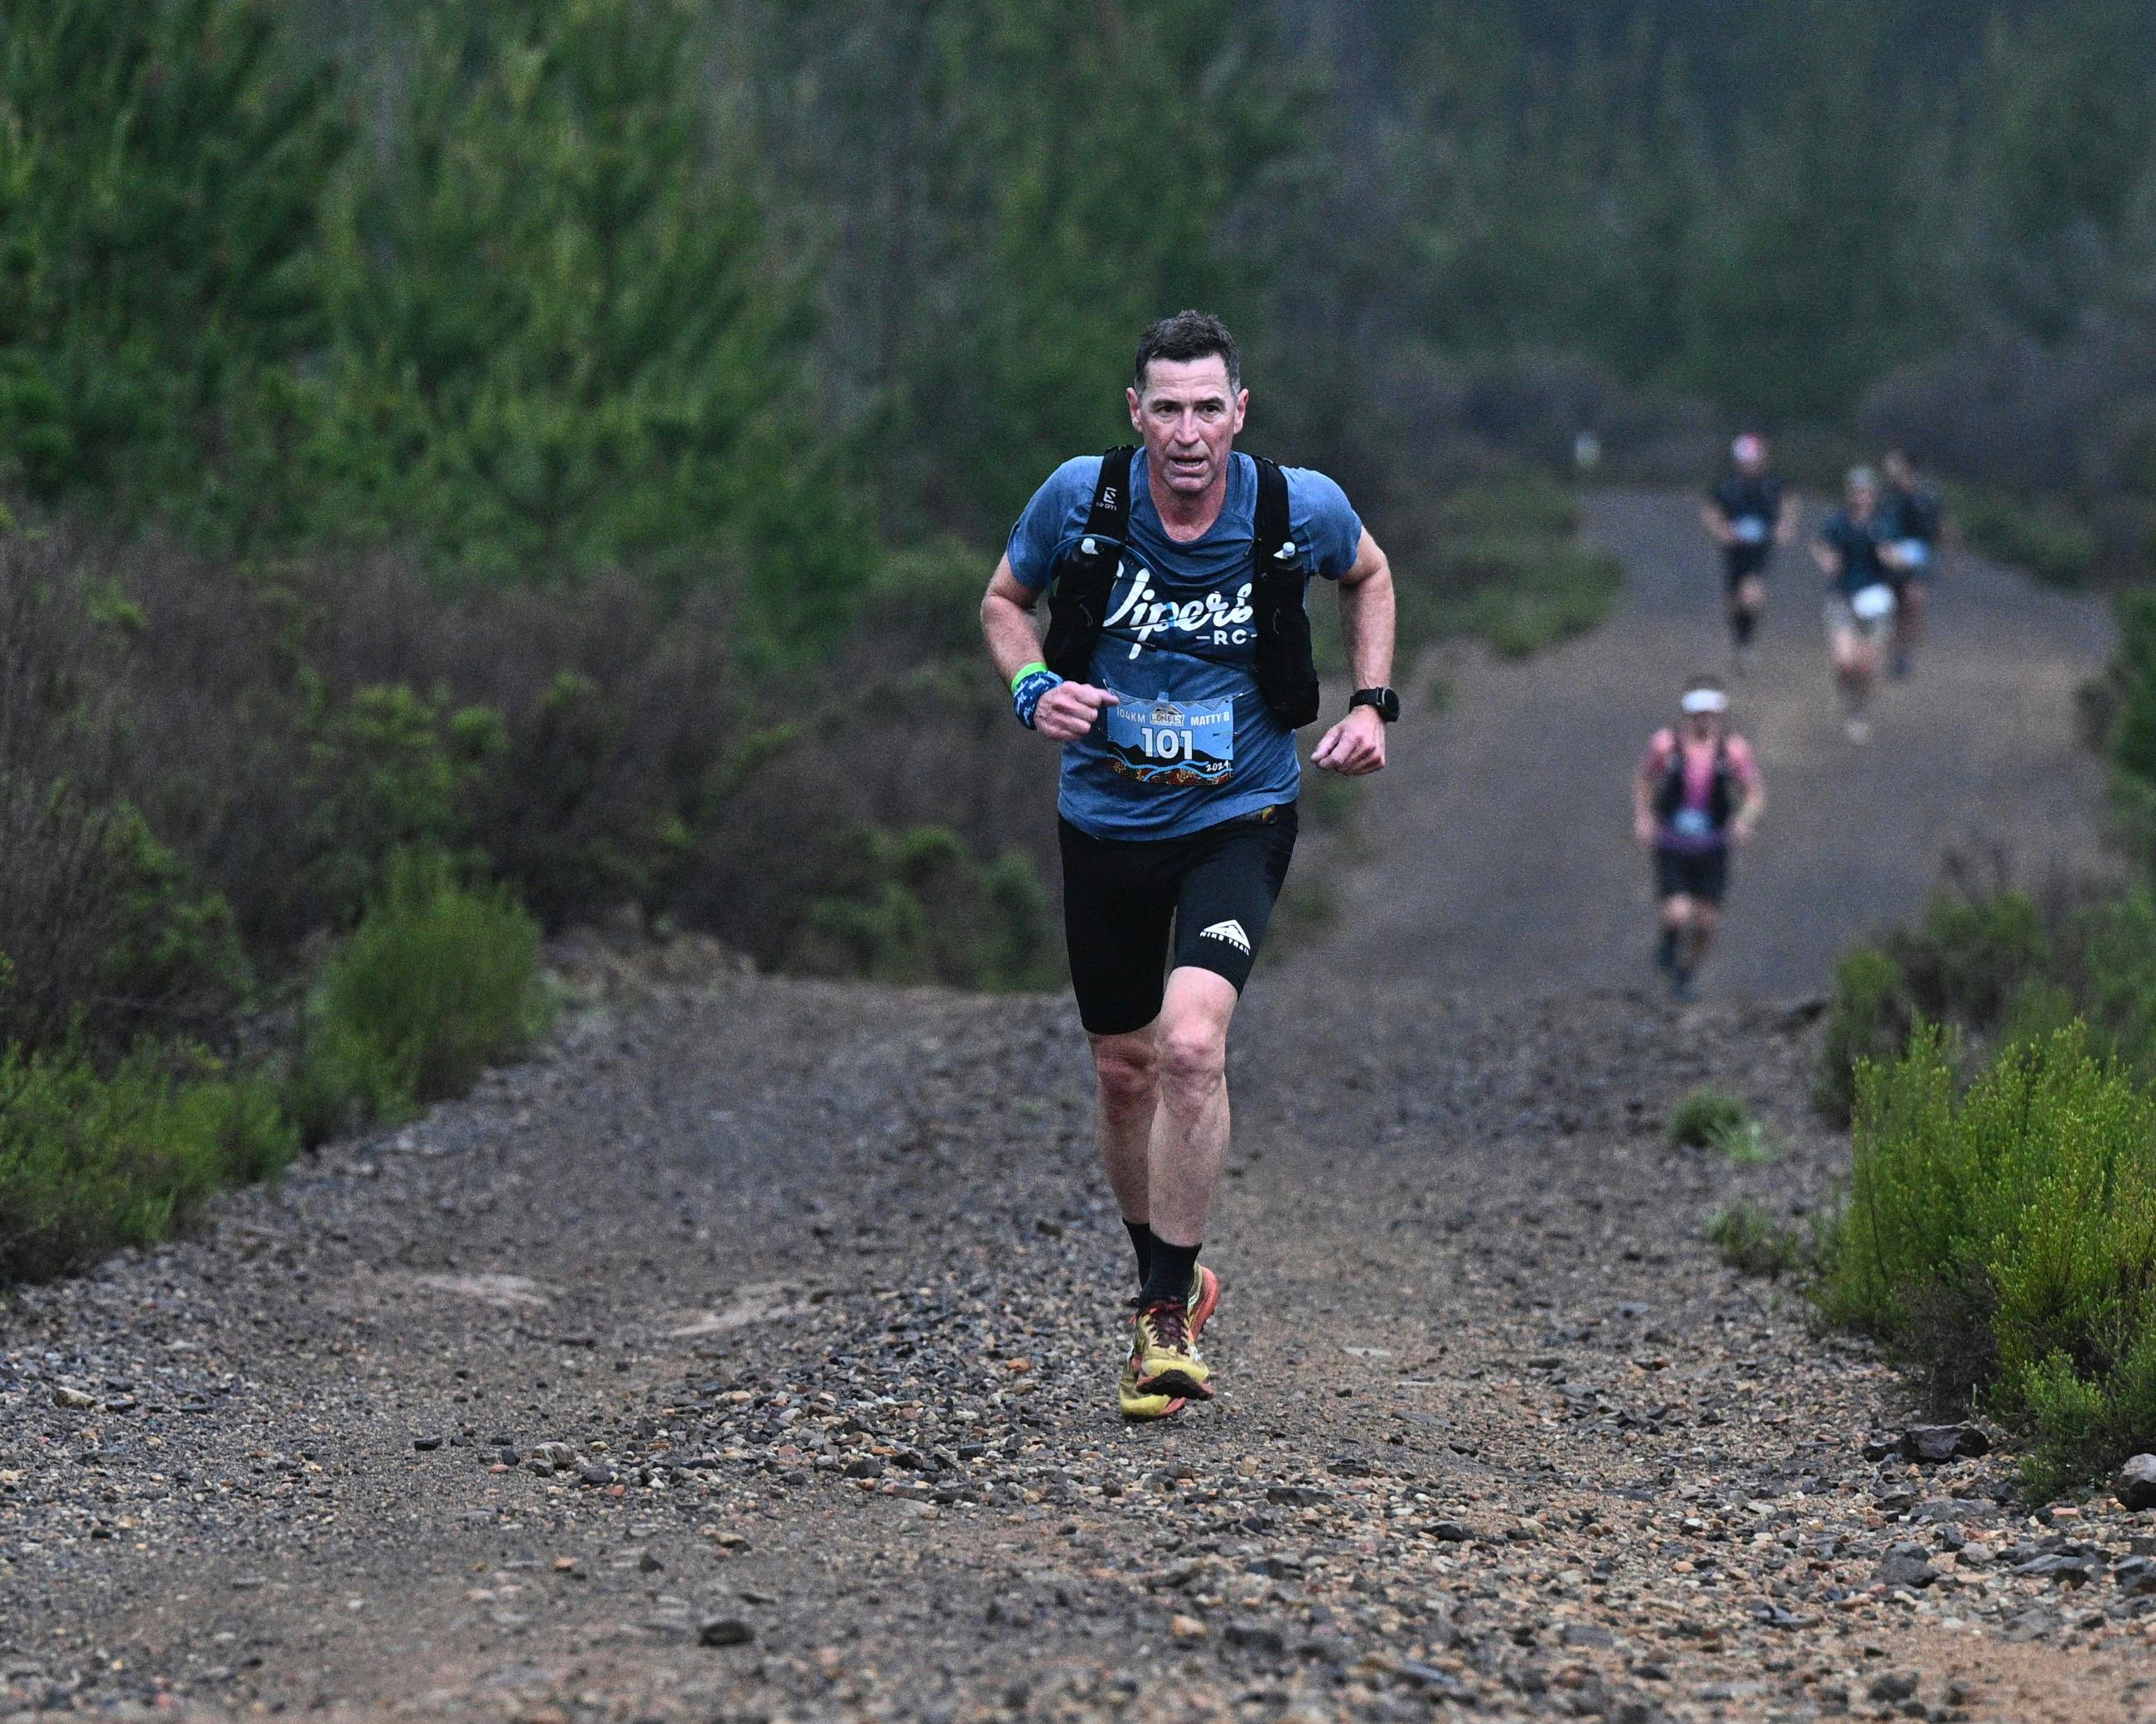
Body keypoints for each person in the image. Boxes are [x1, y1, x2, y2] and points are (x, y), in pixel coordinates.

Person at [979, 311, 1397, 1419]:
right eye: (1165, 408)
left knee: (1190, 1043)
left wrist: (1370, 703)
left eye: (1207, 407)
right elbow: (1002, 602)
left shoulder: (1295, 506)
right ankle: (1163, 1276)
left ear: (1238, 413)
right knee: (1122, 1069)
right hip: (1103, 821)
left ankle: (1163, 1317)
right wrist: (1031, 688)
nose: (1186, 432)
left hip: (1236, 814)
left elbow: (1366, 573)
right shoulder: (1080, 499)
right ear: (1135, 413)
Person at [1632, 677, 1763, 1001]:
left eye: (1710, 714)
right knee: (1677, 911)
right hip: (1673, 843)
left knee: (1706, 922)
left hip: (1713, 846)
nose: (1704, 720)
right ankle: (1668, 944)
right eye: (1698, 714)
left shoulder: (1733, 750)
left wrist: (1744, 820)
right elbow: (1645, 781)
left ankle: (1685, 975)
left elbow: (1754, 791)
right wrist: (1644, 817)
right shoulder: (1666, 745)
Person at [1811, 466, 1898, 744]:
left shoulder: (1885, 523)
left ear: (1874, 494)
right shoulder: (1838, 521)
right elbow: (1820, 544)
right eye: (1856, 491)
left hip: (1875, 601)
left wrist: (1891, 558)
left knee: (1866, 665)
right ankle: (1847, 695)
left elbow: (1897, 554)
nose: (1861, 496)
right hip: (1843, 597)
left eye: (1866, 491)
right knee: (1843, 661)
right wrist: (1826, 559)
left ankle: (1859, 709)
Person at [1700, 434, 1796, 671]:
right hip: (1735, 549)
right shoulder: (1727, 486)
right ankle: (1740, 639)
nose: (1749, 465)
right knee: (1736, 600)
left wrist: (1785, 525)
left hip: (1760, 548)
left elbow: (1789, 502)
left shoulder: (1771, 485)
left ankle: (1747, 642)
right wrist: (1720, 530)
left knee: (1752, 594)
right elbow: (1711, 509)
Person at [1879, 449, 1944, 678]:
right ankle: (1888, 650)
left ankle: (1904, 654)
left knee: (1913, 603)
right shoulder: (1886, 496)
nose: (1889, 468)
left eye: (1894, 464)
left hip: (1919, 559)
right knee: (1890, 606)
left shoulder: (1927, 496)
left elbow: (1942, 525)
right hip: (1889, 557)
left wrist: (1951, 556)